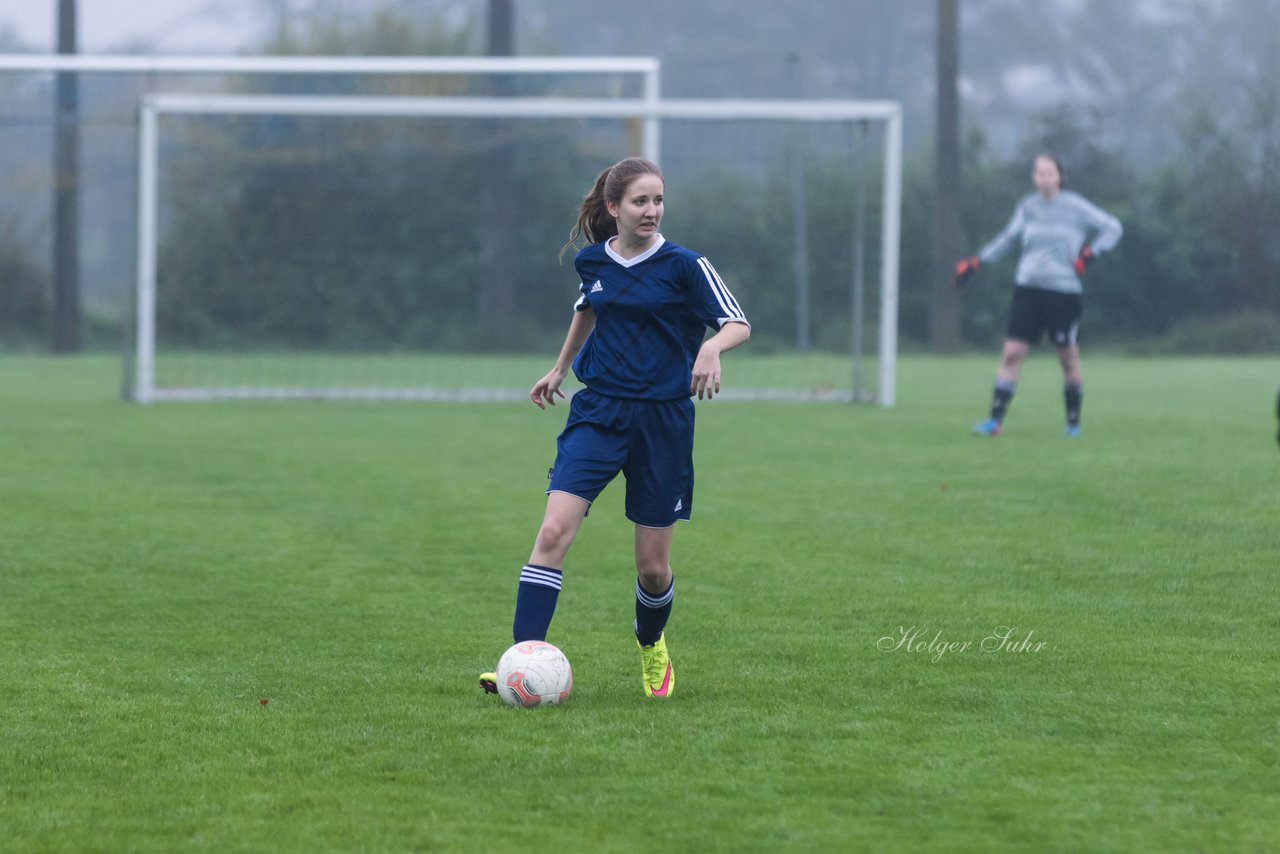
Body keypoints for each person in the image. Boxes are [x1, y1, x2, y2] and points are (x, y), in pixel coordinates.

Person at [479, 157, 750, 700]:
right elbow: (588, 308)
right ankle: (518, 663)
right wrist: (560, 368)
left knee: (652, 569)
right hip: (599, 412)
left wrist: (710, 349)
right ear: (614, 208)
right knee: (552, 533)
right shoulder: (592, 262)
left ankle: (651, 644)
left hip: (663, 421)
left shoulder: (686, 266)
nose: (652, 211)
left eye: (658, 200)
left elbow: (736, 323)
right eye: (640, 201)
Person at [954, 153, 1122, 437]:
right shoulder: (1028, 207)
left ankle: (1072, 424)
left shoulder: (1075, 207)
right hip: (1028, 290)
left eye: (1049, 173)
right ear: (1034, 177)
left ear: (1059, 177)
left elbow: (1113, 227)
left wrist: (1091, 254)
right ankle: (995, 422)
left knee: (1068, 359)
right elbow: (1008, 239)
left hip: (1063, 293)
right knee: (1011, 354)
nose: (1044, 178)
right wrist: (977, 261)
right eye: (1039, 173)